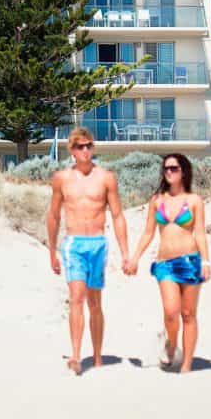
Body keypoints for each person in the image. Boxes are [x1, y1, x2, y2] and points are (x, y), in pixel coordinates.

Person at [46, 126, 128, 376]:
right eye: (80, 146)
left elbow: (117, 215)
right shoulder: (61, 178)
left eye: (89, 145)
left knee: (95, 302)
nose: (85, 150)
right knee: (76, 298)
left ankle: (98, 355)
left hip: (97, 244)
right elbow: (53, 215)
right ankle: (76, 355)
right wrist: (52, 251)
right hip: (73, 245)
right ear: (71, 150)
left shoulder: (106, 177)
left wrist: (125, 253)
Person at [123, 153, 210, 373]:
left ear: (183, 172)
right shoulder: (157, 201)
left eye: (174, 168)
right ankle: (171, 344)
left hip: (190, 262)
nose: (169, 172)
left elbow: (200, 233)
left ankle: (187, 364)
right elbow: (148, 233)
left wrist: (206, 261)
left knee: (188, 314)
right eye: (166, 169)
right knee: (171, 312)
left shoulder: (194, 201)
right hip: (165, 265)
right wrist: (135, 258)